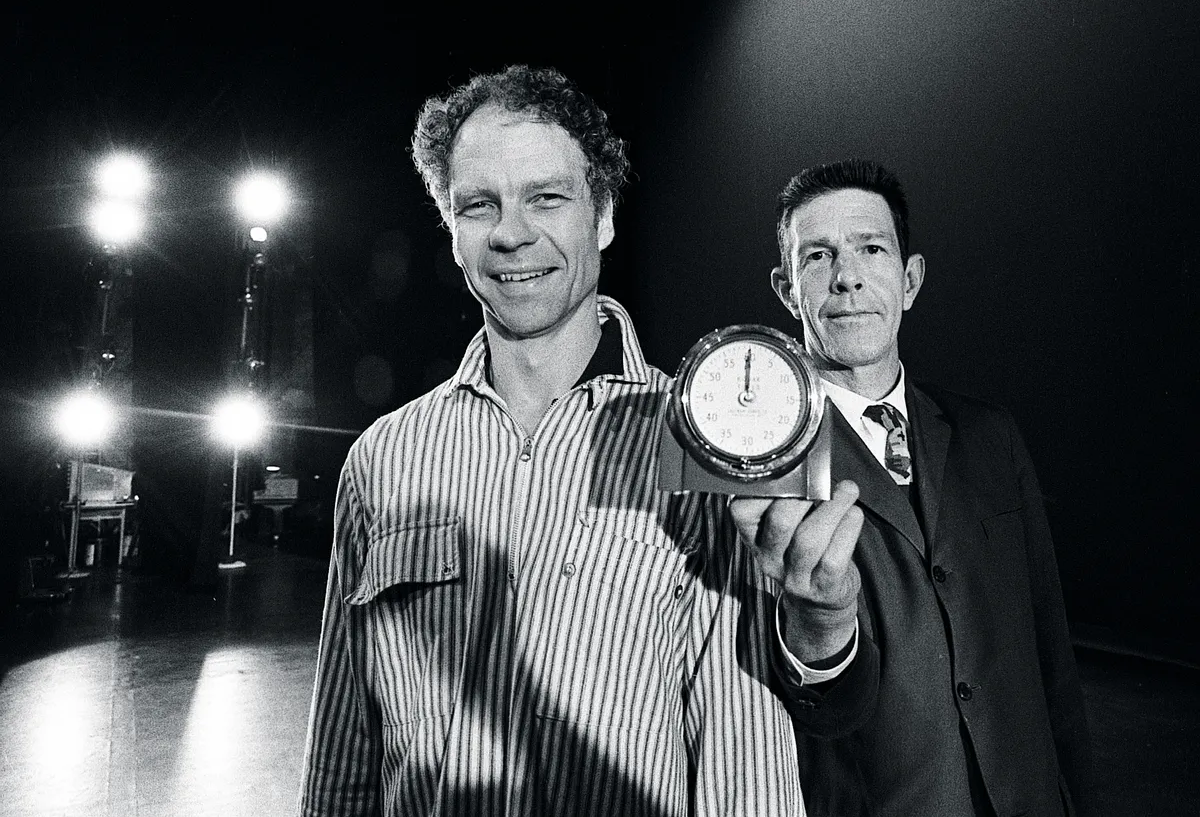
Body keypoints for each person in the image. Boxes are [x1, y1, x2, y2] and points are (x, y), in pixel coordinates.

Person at [296, 65, 857, 816]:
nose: (510, 233)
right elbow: (341, 752)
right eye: (478, 205)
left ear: (603, 217)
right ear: (452, 229)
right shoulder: (383, 457)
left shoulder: (702, 442)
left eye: (546, 197)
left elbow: (744, 752)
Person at [730, 158, 1094, 816]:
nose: (848, 275)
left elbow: (1051, 658)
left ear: (910, 277)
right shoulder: (757, 469)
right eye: (819, 256)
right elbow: (763, 696)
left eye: (871, 247)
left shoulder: (990, 435)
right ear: (787, 289)